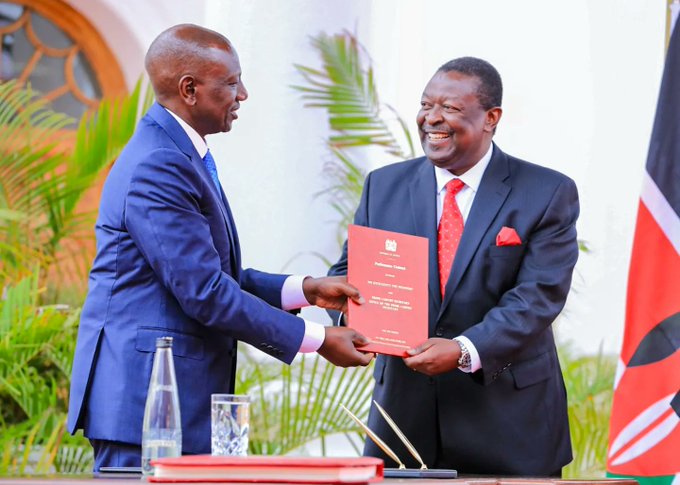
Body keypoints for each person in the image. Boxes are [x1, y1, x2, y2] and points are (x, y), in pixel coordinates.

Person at [67, 24, 373, 471]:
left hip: (174, 405)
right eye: (231, 82)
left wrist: (305, 290)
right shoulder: (160, 162)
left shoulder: (179, 153)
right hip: (148, 408)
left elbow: (209, 276)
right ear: (189, 89)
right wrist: (319, 339)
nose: (242, 94)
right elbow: (205, 291)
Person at [329, 57, 579, 476]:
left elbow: (538, 296)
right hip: (404, 425)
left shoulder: (546, 191)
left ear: (491, 118)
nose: (432, 118)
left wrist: (465, 349)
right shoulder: (383, 185)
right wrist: (352, 322)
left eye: (450, 108)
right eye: (426, 105)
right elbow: (348, 275)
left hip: (509, 424)